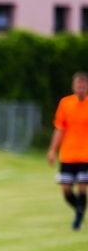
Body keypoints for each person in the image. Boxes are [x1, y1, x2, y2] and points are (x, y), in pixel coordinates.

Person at [47, 71, 88, 231]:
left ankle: (78, 219)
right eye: (78, 84)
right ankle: (79, 209)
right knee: (66, 189)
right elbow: (59, 129)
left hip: (85, 154)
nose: (80, 88)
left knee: (83, 186)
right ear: (73, 86)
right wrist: (52, 150)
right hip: (68, 154)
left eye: (83, 85)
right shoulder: (65, 103)